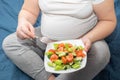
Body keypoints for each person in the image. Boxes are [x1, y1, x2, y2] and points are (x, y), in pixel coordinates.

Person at [2, 0, 116, 80]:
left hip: (84, 44)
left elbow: (108, 20)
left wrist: (88, 38)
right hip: (46, 40)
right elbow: (28, 11)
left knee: (101, 53)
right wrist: (23, 22)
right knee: (11, 43)